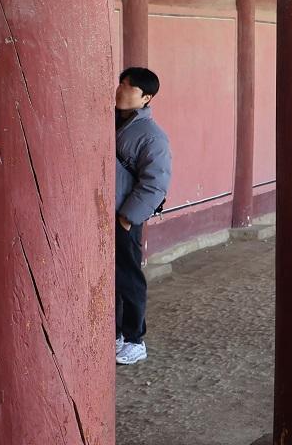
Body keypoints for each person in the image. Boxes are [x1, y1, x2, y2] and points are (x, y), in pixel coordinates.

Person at [114, 67, 172, 366]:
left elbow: (155, 182)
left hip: (124, 217)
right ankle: (114, 334)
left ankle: (135, 339)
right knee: (110, 277)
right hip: (104, 214)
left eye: (129, 87)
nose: (121, 90)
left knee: (128, 278)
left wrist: (127, 218)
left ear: (146, 97)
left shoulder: (151, 136)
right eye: (121, 83)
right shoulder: (112, 121)